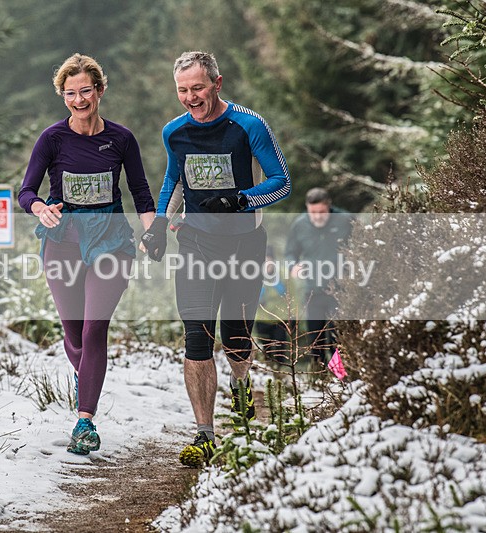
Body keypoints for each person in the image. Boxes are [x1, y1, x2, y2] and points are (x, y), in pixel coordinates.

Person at [141, 51, 291, 467]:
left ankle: (241, 384)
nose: (191, 97)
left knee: (236, 336)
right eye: (183, 90)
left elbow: (282, 183)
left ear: (217, 84)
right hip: (196, 243)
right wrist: (156, 227)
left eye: (198, 88)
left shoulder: (248, 124)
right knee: (197, 336)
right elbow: (173, 179)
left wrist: (241, 199)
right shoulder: (175, 131)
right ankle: (205, 433)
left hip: (245, 244)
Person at [18, 53, 156, 455]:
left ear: (99, 90)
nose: (79, 100)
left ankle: (85, 421)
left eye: (86, 91)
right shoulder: (52, 139)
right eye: (71, 93)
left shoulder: (121, 139)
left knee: (95, 328)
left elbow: (141, 191)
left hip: (111, 241)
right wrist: (40, 207)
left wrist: (153, 231)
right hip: (62, 241)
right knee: (74, 332)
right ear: (63, 96)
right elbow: (25, 191)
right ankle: (87, 375)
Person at [284, 187, 353, 365]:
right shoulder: (299, 224)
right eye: (312, 212)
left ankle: (343, 379)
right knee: (316, 339)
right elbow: (290, 253)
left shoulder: (345, 220)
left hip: (341, 291)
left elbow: (362, 246)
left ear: (329, 206)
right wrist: (293, 266)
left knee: (340, 337)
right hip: (313, 291)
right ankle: (319, 379)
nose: (317, 216)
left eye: (321, 212)